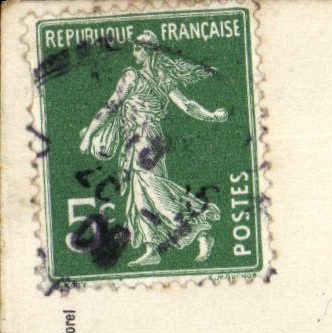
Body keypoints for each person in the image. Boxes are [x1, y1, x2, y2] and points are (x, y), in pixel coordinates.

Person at [79, 31, 228, 267]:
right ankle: (153, 248)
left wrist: (88, 136)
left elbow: (110, 106)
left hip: (143, 137)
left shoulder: (131, 76)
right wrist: (211, 116)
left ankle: (198, 226)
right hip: (149, 138)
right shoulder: (162, 77)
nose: (134, 52)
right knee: (141, 191)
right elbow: (187, 105)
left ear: (148, 51)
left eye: (138, 48)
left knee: (151, 186)